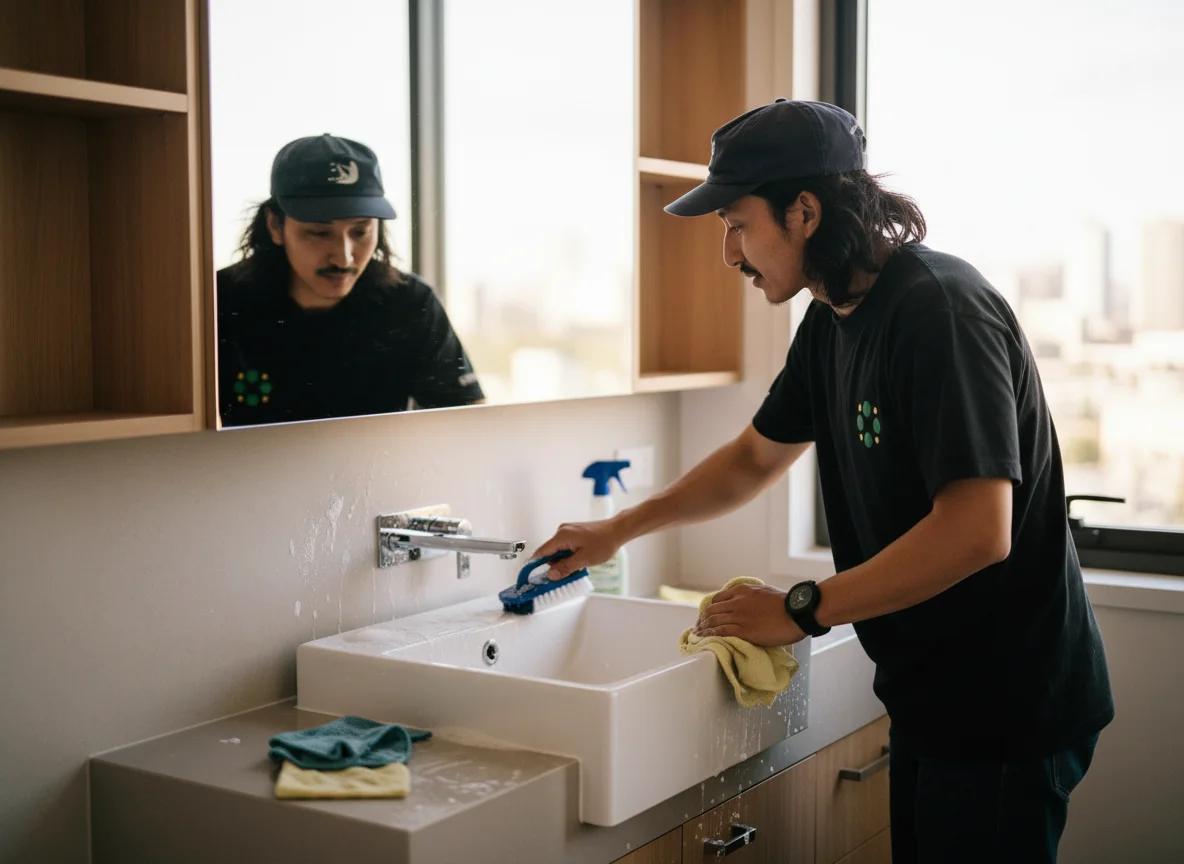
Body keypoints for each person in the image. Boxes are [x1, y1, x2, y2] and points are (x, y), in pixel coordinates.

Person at [534, 99, 1113, 863]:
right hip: (933, 699)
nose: (730, 254)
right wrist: (619, 529)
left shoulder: (938, 309)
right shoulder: (833, 320)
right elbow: (752, 459)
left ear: (803, 211)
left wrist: (802, 609)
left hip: (1005, 706)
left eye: (738, 225)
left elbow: (978, 530)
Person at [217, 134, 483, 427]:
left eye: (360, 232)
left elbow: (468, 421)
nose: (343, 258)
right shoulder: (220, 301)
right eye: (319, 233)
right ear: (275, 225)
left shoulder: (409, 302)